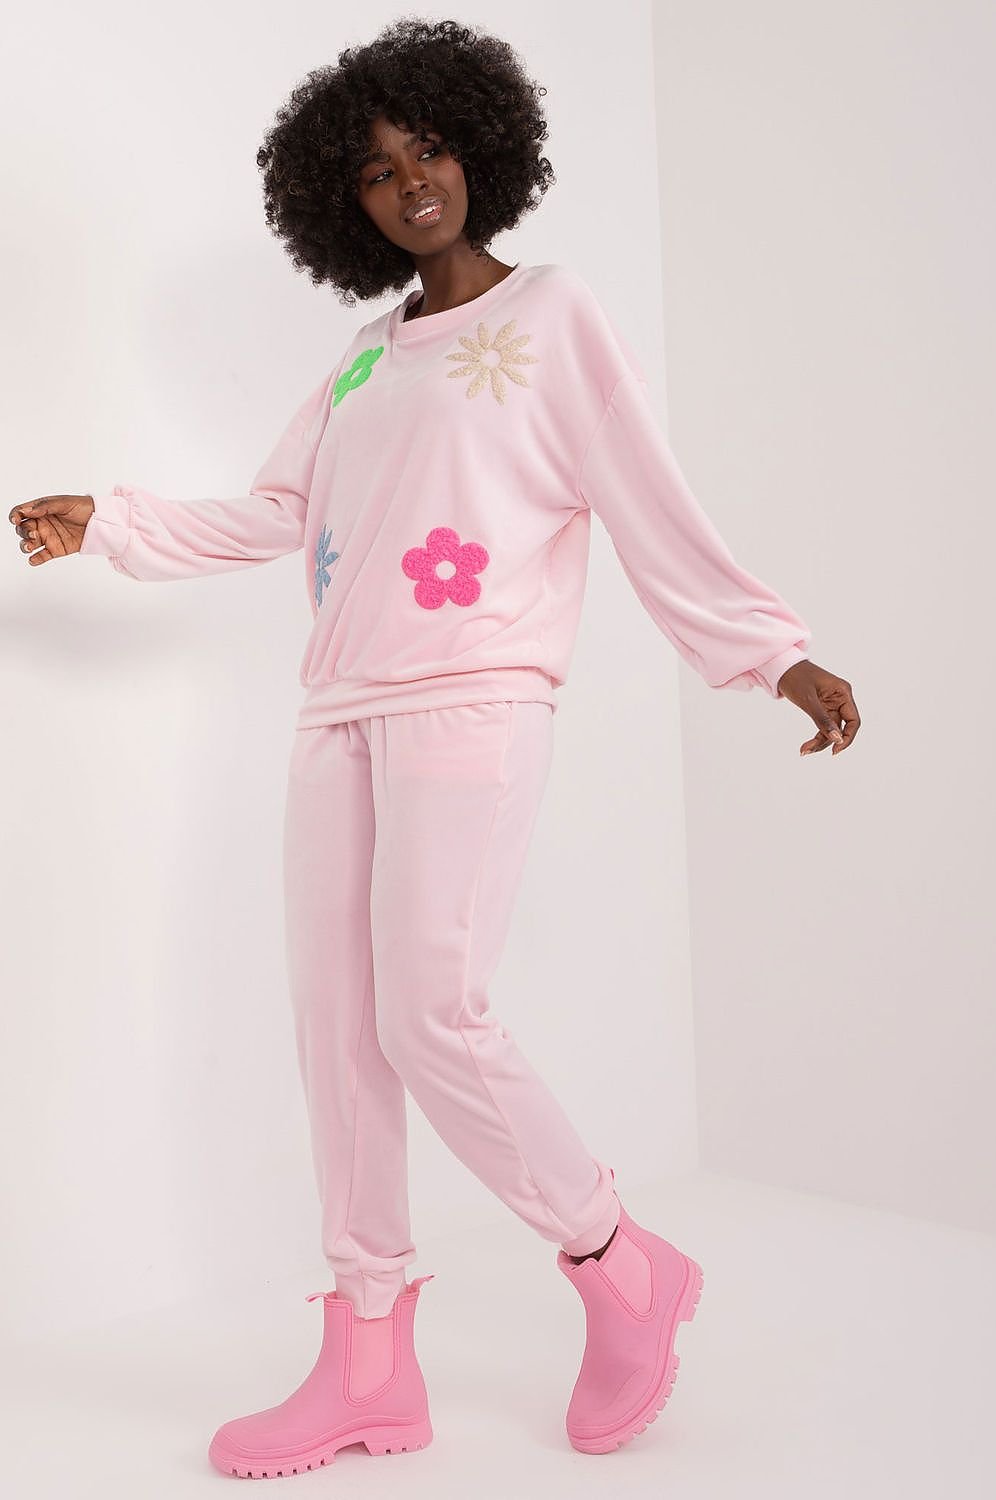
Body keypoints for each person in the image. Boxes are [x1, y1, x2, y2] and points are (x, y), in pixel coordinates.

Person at [8, 15, 860, 1480]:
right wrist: (115, 520)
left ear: (482, 151)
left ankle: (620, 1262)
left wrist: (769, 652)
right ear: (341, 203)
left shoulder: (555, 315)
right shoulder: (362, 360)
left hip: (474, 699)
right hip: (336, 712)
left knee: (429, 1015)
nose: (412, 183)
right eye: (377, 170)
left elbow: (643, 493)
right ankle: (369, 1362)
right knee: (340, 1036)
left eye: (432, 149)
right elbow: (282, 514)